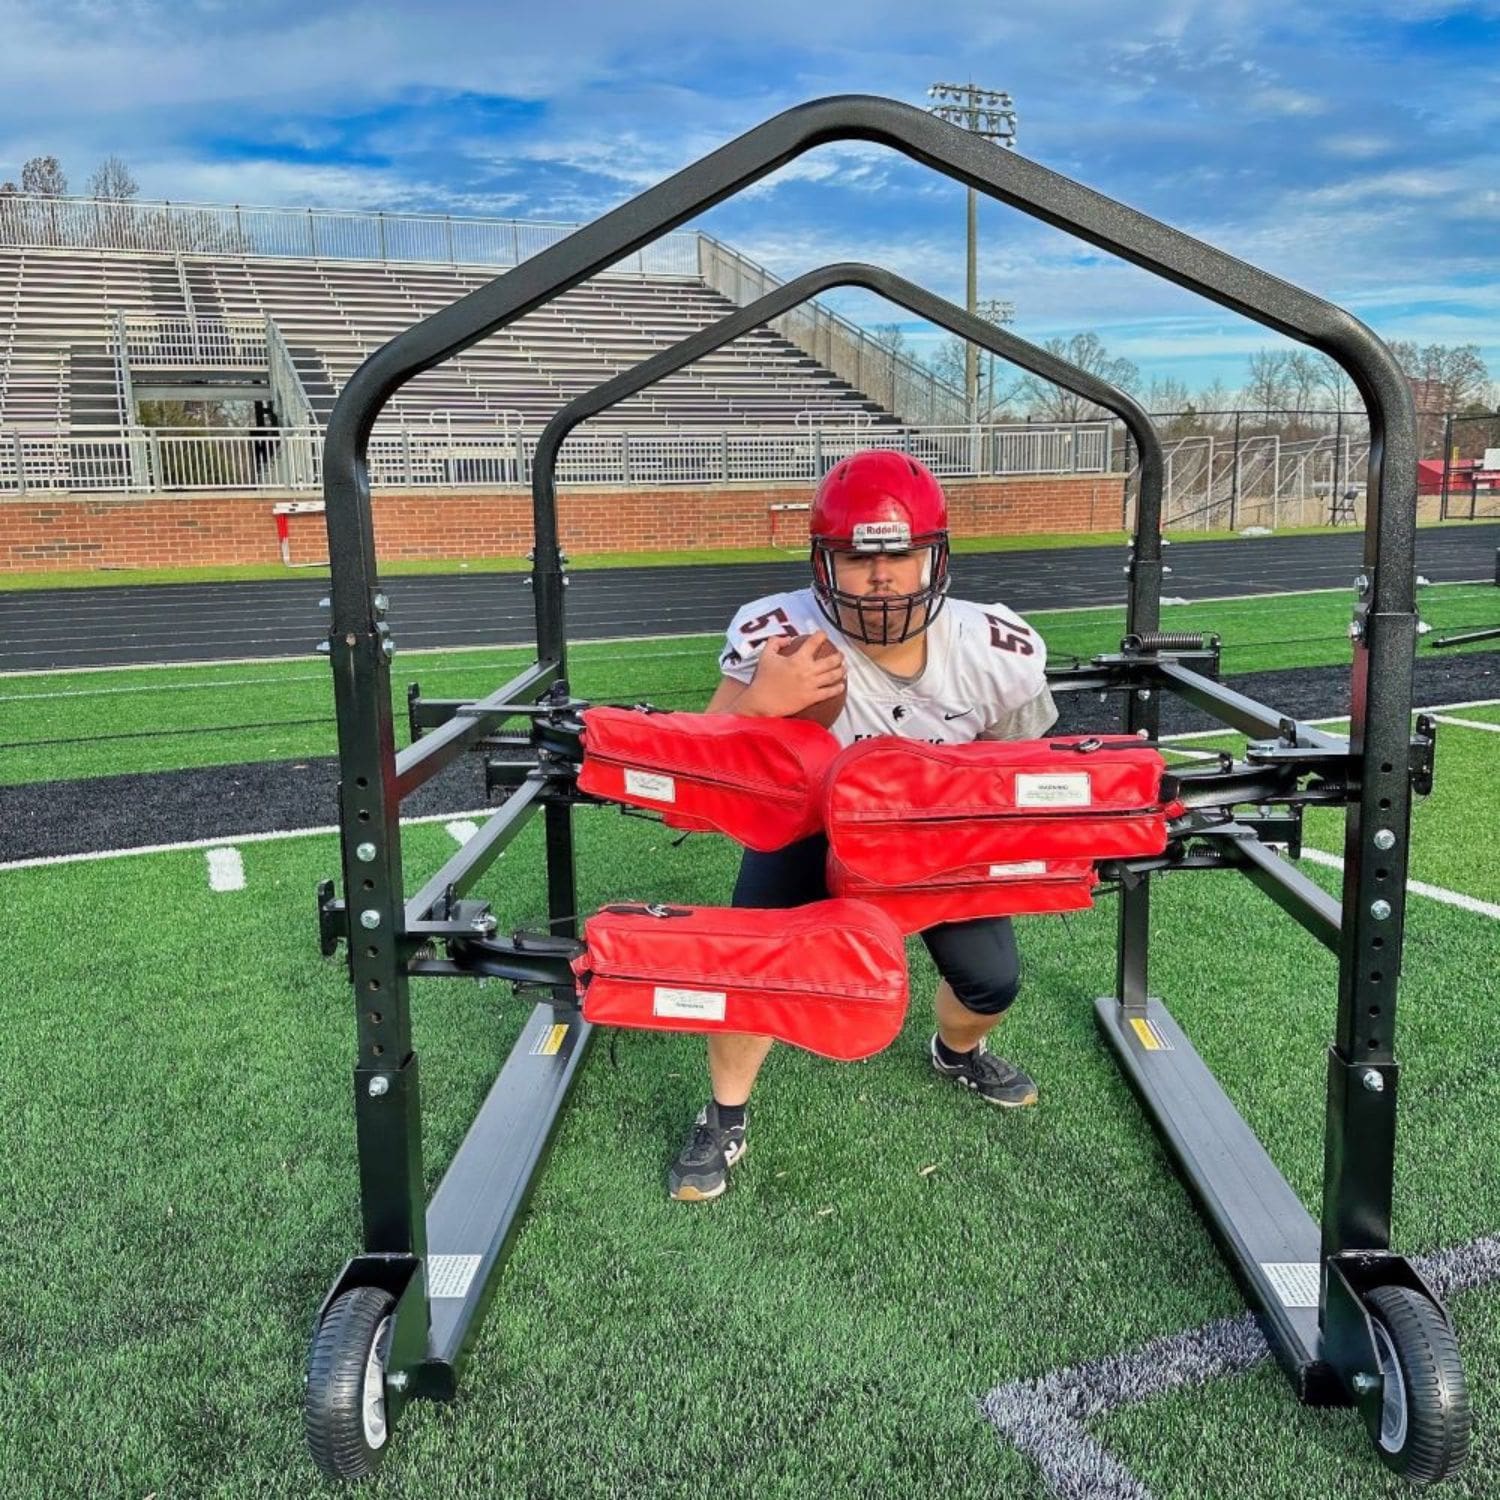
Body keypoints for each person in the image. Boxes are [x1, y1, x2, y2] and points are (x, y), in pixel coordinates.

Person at [668, 448, 1058, 1202]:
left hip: (937, 833)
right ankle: (723, 1115)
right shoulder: (779, 638)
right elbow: (693, 788)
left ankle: (954, 1053)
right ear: (825, 563)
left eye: (900, 554)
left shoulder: (993, 650)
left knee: (993, 984)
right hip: (809, 825)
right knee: (751, 966)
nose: (881, 576)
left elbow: (1024, 771)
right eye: (857, 557)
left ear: (933, 559)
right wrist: (756, 706)